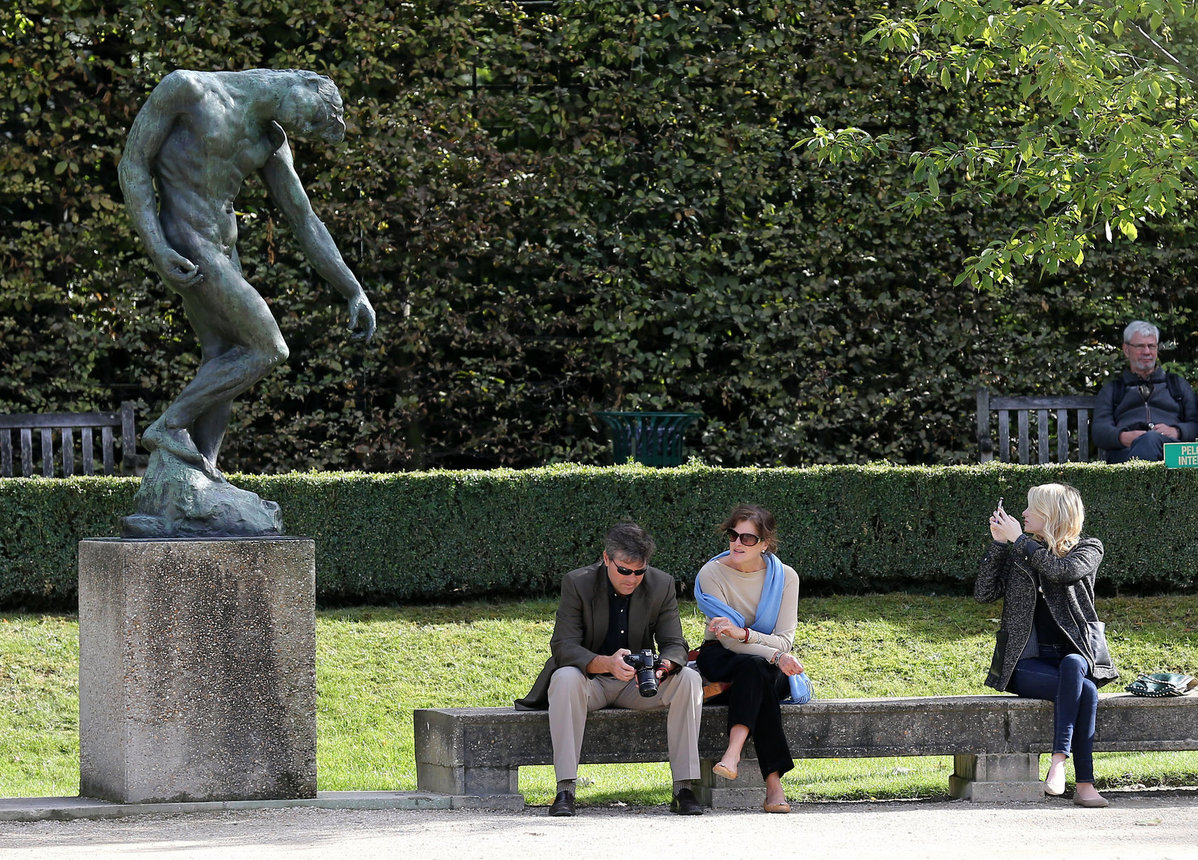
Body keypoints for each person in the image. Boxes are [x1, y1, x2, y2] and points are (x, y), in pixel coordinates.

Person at [118, 69, 377, 481]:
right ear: (306, 81)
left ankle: (202, 470)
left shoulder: (271, 140)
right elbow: (132, 163)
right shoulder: (188, 89)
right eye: (315, 116)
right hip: (189, 243)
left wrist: (352, 289)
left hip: (224, 250)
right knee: (268, 347)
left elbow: (303, 219)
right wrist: (157, 248)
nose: (306, 128)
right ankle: (168, 425)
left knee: (223, 357)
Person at [515, 522, 704, 817]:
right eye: (624, 570)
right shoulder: (577, 583)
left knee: (689, 678)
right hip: (590, 682)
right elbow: (563, 646)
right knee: (564, 677)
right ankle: (565, 789)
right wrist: (607, 663)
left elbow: (675, 644)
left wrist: (662, 669)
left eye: (639, 572)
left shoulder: (662, 584)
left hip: (639, 685)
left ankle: (684, 788)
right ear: (606, 559)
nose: (632, 579)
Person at [978, 484, 1119, 808]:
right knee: (1088, 691)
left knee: (1073, 665)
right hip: (1026, 662)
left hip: (1079, 654)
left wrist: (1020, 541)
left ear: (1052, 514)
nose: (1023, 514)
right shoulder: (1019, 552)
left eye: (1031, 508)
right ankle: (1083, 784)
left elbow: (1062, 571)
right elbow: (983, 593)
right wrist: (999, 545)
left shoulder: (1088, 549)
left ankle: (1058, 763)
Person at [694, 504, 804, 814]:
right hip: (721, 655)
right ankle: (773, 785)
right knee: (758, 673)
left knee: (758, 675)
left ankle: (733, 754)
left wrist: (753, 639)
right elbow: (728, 639)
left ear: (766, 544)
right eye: (733, 535)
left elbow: (785, 638)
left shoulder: (786, 578)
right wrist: (774, 654)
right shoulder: (711, 573)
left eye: (748, 538)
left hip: (767, 660)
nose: (737, 543)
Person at [1092, 320, 1198, 463]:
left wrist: (1177, 431)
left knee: (1151, 439)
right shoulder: (1113, 390)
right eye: (1140, 346)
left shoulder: (1177, 385)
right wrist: (1123, 437)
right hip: (1126, 454)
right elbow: (1099, 431)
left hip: (1173, 454)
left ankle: (1137, 484)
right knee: (1148, 441)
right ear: (1126, 349)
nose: (1147, 351)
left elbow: (1195, 423)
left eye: (1151, 346)